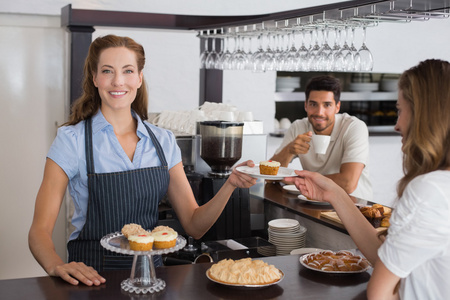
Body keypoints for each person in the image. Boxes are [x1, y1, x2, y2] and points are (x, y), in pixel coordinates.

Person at [28, 34, 257, 287]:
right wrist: (55, 264)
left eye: (127, 71)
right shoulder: (71, 140)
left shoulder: (163, 141)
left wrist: (230, 184)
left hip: (151, 280)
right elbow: (39, 230)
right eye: (107, 71)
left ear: (139, 78)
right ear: (95, 78)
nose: (118, 81)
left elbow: (194, 225)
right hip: (91, 282)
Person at [285, 59, 450, 299]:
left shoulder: (428, 191)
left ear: (424, 116)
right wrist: (333, 192)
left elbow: (379, 294)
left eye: (400, 110)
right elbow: (384, 256)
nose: (397, 125)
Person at [271, 75, 372, 201]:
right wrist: (289, 150)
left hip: (354, 205)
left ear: (337, 107)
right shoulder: (298, 127)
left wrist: (298, 180)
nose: (319, 112)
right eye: (313, 104)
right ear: (306, 106)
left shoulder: (354, 127)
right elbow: (270, 174)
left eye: (327, 105)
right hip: (312, 202)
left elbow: (348, 183)